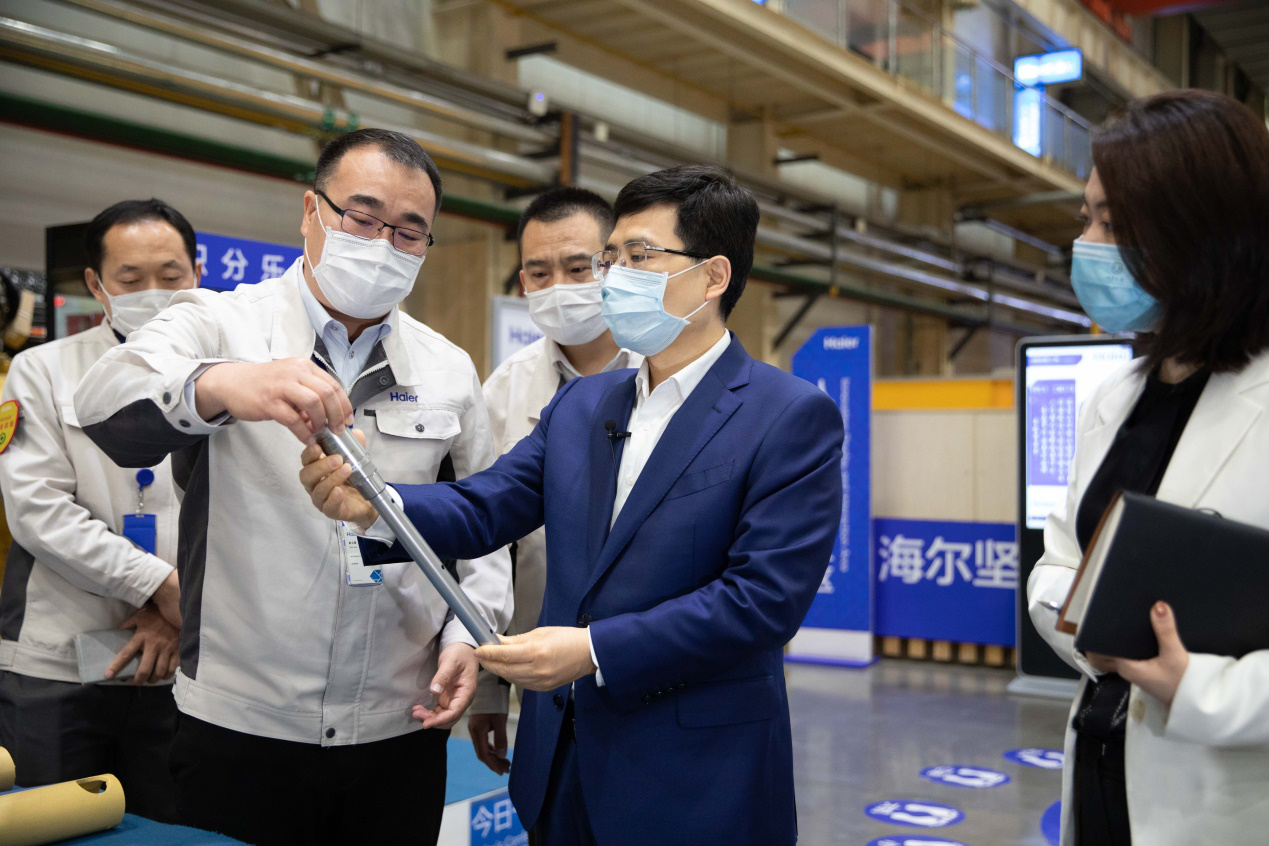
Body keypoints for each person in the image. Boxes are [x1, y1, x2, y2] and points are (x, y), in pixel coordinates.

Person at [302, 165, 844, 846]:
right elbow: (486, 506)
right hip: (561, 767)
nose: (614, 277)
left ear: (712, 277)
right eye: (612, 257)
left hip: (696, 778)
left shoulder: (787, 415)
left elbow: (762, 601)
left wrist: (593, 650)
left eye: (640, 256)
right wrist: (375, 502)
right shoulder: (583, 406)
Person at [73, 129, 512, 846]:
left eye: (409, 231)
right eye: (361, 217)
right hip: (241, 724)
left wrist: (471, 635)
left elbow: (482, 530)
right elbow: (101, 403)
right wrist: (224, 384)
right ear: (311, 211)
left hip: (399, 724)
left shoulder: (446, 368)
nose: (382, 244)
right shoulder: (220, 323)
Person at [1027, 89, 1269, 846]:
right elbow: (1058, 563)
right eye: (1087, 219)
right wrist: (1088, 631)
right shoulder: (1117, 396)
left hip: (1226, 800)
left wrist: (1199, 687)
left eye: (1115, 225)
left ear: (1203, 230)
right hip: (1103, 767)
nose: (1090, 244)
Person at [0, 199, 199, 821]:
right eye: (131, 279)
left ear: (197, 273)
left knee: (176, 830)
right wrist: (159, 585)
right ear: (96, 283)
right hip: (58, 668)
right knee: (50, 824)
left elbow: (250, 516)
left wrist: (177, 611)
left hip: (186, 664)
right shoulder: (42, 371)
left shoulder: (229, 378)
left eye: (171, 276)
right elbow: (38, 510)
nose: (154, 292)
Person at [468, 187, 640, 776]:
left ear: (615, 266)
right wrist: (490, 685)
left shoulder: (666, 372)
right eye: (540, 273)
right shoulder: (504, 390)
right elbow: (486, 545)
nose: (559, 287)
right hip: (542, 676)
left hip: (654, 665)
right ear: (523, 283)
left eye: (578, 268)